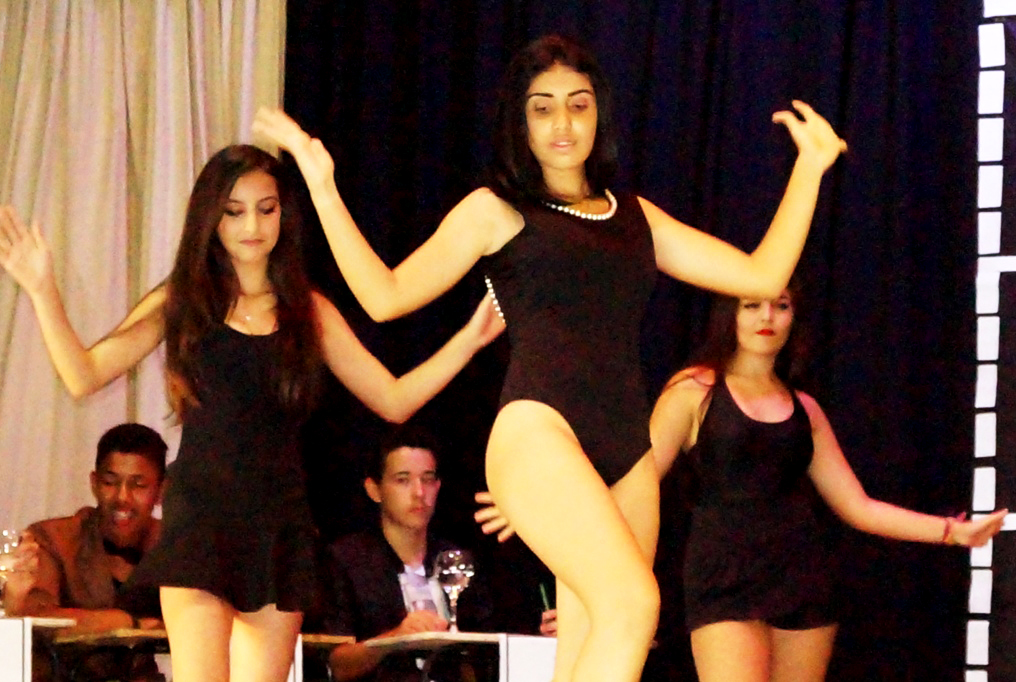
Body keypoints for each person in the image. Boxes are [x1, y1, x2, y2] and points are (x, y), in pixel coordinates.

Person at [252, 34, 846, 682]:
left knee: (595, 640)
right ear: (521, 121)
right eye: (543, 107)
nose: (562, 122)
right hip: (538, 431)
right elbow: (384, 296)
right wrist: (322, 184)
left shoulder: (637, 217)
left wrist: (809, 170)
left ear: (599, 114)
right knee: (633, 604)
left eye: (577, 104)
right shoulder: (497, 211)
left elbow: (761, 275)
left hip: (626, 452)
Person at [0, 145, 503, 682]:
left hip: (277, 526)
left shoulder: (308, 310)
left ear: (284, 213)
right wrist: (42, 289)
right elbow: (84, 374)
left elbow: (393, 398)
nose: (252, 226)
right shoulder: (184, 300)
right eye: (234, 211)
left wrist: (468, 341)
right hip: (200, 521)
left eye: (267, 208)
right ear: (211, 218)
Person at [648, 286, 1007, 682]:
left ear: (794, 317)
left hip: (802, 577)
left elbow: (859, 507)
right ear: (728, 315)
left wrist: (952, 532)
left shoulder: (806, 409)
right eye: (752, 306)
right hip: (722, 577)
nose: (767, 317)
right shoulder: (693, 391)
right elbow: (638, 487)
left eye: (781, 306)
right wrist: (616, 589)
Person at [318, 426, 493, 682]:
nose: (419, 493)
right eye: (403, 480)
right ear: (374, 489)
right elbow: (335, 663)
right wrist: (395, 638)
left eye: (427, 479)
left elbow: (487, 650)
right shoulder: (347, 561)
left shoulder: (456, 560)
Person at [1, 422, 168, 682]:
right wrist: (126, 622)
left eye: (138, 485)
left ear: (160, 491)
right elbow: (35, 616)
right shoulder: (53, 538)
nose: (122, 497)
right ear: (94, 483)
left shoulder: (173, 545)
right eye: (110, 482)